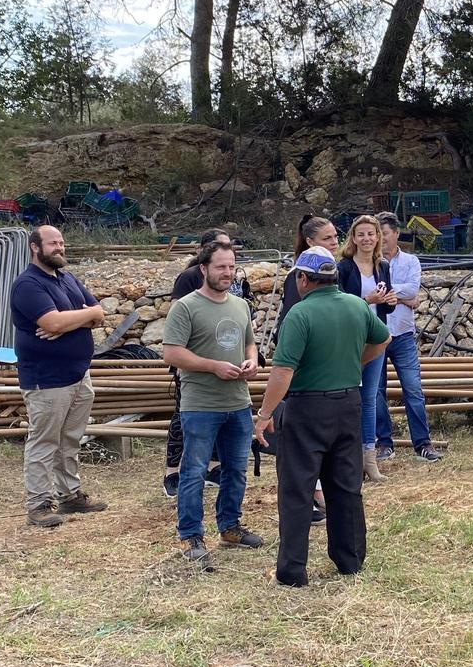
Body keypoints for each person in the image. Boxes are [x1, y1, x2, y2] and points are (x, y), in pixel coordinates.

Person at [254, 247, 391, 585]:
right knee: (346, 485)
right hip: (348, 403)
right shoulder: (357, 305)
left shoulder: (300, 315)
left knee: (297, 488)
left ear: (303, 278)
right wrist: (352, 363)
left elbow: (283, 371)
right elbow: (383, 339)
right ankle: (350, 560)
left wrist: (264, 414)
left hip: (307, 408)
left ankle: (292, 570)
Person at [162, 241, 262, 569]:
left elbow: (249, 343)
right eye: (220, 267)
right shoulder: (186, 307)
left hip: (237, 402)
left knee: (235, 470)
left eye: (231, 267)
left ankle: (229, 527)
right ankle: (191, 535)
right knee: (193, 470)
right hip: (200, 404)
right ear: (203, 269)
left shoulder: (239, 305)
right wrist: (213, 366)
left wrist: (251, 362)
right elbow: (172, 353)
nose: (227, 273)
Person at [10, 225, 107, 527]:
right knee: (44, 441)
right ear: (35, 247)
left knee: (70, 439)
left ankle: (70, 496)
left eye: (62, 243)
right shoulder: (27, 285)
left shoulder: (66, 278)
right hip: (46, 379)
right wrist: (77, 318)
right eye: (53, 243)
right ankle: (38, 504)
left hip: (78, 375)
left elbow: (100, 313)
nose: (59, 248)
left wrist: (67, 323)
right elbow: (50, 321)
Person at [162, 228, 237, 498]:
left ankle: (214, 467)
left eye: (229, 249)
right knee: (184, 416)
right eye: (219, 247)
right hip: (193, 363)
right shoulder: (188, 278)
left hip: (228, 361)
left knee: (223, 416)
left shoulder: (235, 279)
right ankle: (173, 471)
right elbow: (176, 322)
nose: (227, 268)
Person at [372, 213, 443, 462]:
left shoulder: (411, 261)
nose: (380, 239)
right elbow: (370, 293)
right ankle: (384, 442)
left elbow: (414, 290)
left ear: (396, 234)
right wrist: (402, 298)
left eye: (384, 233)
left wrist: (388, 294)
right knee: (376, 391)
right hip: (374, 336)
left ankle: (422, 444)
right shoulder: (369, 263)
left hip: (402, 335)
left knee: (413, 389)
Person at [336, 215, 396, 482]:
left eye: (371, 234)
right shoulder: (344, 268)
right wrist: (366, 300)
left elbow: (384, 305)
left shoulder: (382, 266)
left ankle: (369, 459)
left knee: (370, 398)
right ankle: (348, 457)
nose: (366, 239)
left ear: (378, 237)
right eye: (361, 234)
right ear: (353, 238)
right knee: (349, 398)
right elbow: (339, 304)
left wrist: (390, 301)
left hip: (375, 338)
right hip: (350, 341)